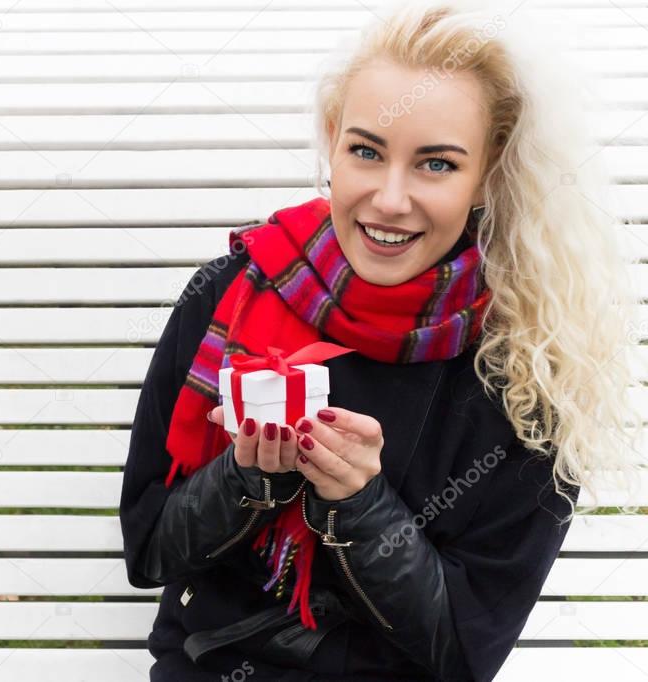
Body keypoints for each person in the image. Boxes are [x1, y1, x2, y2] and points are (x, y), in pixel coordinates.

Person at [119, 1, 645, 680]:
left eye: (435, 165)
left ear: (487, 172)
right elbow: (149, 552)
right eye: (366, 151)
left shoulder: (529, 364)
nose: (390, 199)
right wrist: (248, 476)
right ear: (332, 140)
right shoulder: (229, 290)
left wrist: (358, 504)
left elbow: (462, 653)